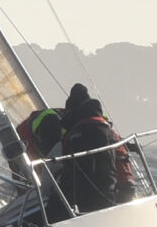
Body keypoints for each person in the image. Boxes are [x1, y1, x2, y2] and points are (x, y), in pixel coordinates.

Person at [52, 84, 135, 215]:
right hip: (115, 196)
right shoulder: (107, 130)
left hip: (83, 203)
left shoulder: (73, 135)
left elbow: (64, 167)